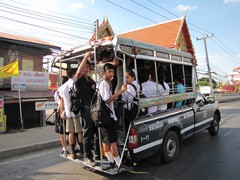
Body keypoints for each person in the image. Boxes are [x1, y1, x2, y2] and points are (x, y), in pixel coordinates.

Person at [98, 63, 127, 167]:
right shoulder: (104, 83)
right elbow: (107, 100)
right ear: (104, 72)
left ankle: (111, 161)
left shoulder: (101, 83)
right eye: (109, 71)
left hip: (103, 116)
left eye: (113, 71)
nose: (112, 74)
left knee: (105, 141)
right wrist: (121, 91)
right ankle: (118, 163)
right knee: (112, 141)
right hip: (108, 117)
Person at [75, 52, 100, 167]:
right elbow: (78, 72)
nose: (86, 69)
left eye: (87, 67)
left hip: (94, 109)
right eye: (84, 66)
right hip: (85, 109)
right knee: (88, 133)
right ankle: (87, 157)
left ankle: (95, 153)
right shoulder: (79, 80)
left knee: (95, 133)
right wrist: (86, 56)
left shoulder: (91, 80)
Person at [59, 69, 83, 159]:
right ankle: (81, 151)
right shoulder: (74, 82)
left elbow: (62, 101)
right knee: (79, 132)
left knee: (71, 133)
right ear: (74, 74)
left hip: (68, 112)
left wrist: (62, 112)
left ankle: (73, 152)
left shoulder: (62, 87)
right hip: (77, 112)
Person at [54, 76, 68, 156]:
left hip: (59, 111)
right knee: (71, 130)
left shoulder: (57, 91)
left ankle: (64, 148)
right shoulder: (67, 89)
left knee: (62, 131)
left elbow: (56, 102)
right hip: (67, 110)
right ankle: (75, 147)